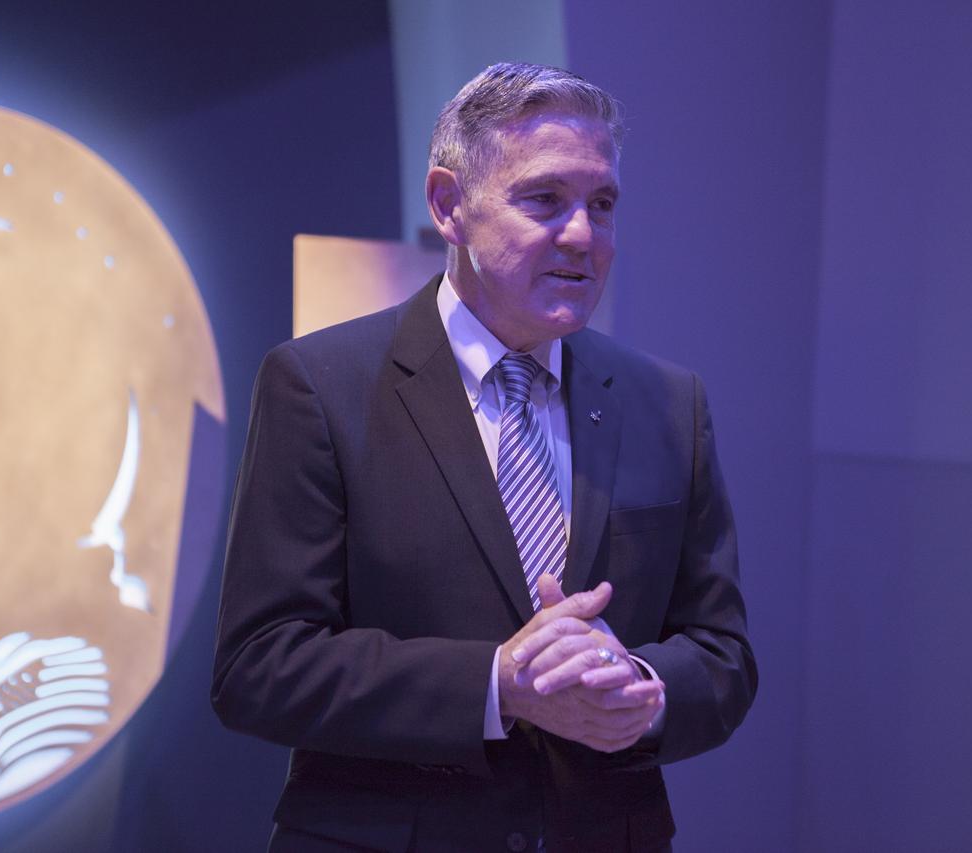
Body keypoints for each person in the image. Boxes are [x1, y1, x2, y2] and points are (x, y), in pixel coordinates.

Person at [212, 62, 756, 853]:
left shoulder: (669, 404)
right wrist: (498, 684)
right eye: (544, 200)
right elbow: (259, 667)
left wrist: (640, 686)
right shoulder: (319, 386)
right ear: (449, 204)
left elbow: (725, 655)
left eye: (601, 204)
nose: (583, 235)